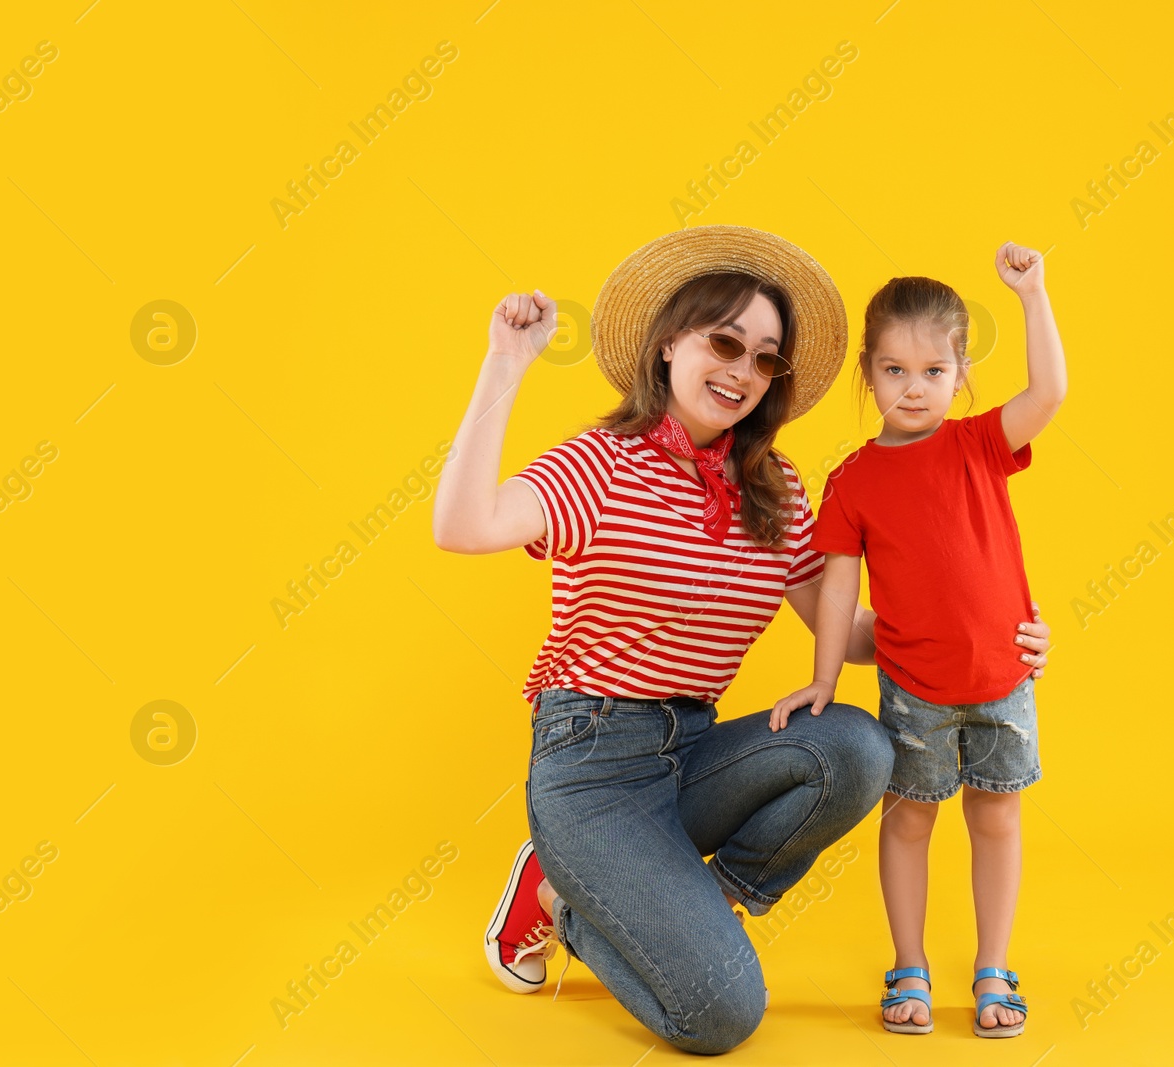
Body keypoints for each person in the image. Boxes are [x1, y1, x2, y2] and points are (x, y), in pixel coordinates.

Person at [432, 225, 1054, 1055]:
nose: (742, 371)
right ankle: (566, 898)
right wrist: (504, 366)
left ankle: (670, 897)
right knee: (721, 1015)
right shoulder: (602, 463)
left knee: (860, 746)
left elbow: (854, 632)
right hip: (591, 762)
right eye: (725, 341)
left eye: (765, 359)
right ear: (667, 347)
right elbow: (462, 525)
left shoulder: (774, 490)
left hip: (691, 748)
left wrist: (985, 636)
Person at [769, 242, 1067, 1039]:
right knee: (908, 820)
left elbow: (1052, 389)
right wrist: (824, 679)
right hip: (913, 691)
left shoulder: (979, 445)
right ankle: (910, 964)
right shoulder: (854, 479)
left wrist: (1032, 295)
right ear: (869, 373)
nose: (914, 386)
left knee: (997, 819)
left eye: (934, 370)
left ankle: (994, 967)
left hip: (1003, 679)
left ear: (960, 372)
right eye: (895, 370)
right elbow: (838, 587)